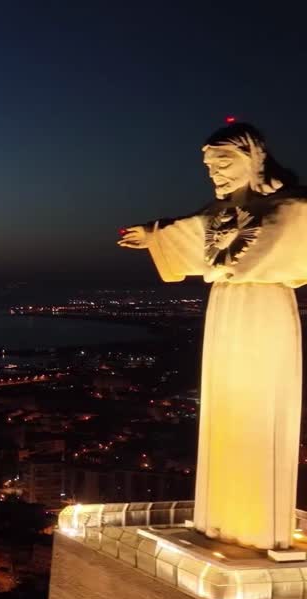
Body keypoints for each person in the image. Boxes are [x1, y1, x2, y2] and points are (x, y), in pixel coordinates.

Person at [118, 122, 306, 550]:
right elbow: (183, 231)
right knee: (225, 406)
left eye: (222, 162)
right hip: (224, 308)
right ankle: (218, 520)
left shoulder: (294, 206)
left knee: (259, 408)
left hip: (266, 309)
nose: (214, 172)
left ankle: (257, 529)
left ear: (252, 159)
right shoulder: (218, 212)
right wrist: (151, 236)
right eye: (209, 166)